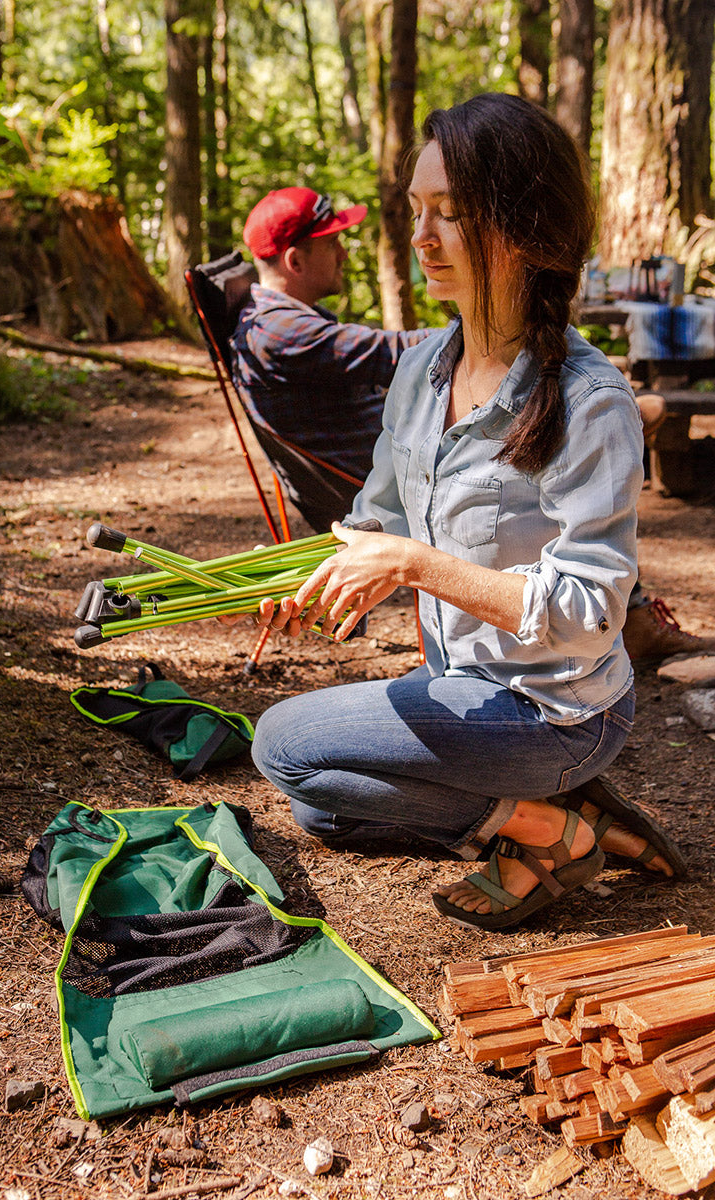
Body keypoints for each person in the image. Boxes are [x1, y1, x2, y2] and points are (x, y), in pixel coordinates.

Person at [246, 93, 684, 933]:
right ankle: (559, 815)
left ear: (525, 231)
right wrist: (311, 576)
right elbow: (376, 515)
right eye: (417, 210)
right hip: (462, 683)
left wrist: (414, 568)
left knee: (284, 746)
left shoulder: (589, 402)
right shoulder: (420, 370)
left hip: (556, 710)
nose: (421, 237)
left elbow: (592, 615)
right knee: (325, 810)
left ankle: (552, 826)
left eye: (451, 213)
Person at [231, 186, 436, 482]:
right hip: (392, 489)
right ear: (295, 262)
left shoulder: (277, 319)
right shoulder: (280, 332)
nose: (343, 255)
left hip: (400, 466)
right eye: (331, 244)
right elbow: (397, 352)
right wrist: (479, 331)